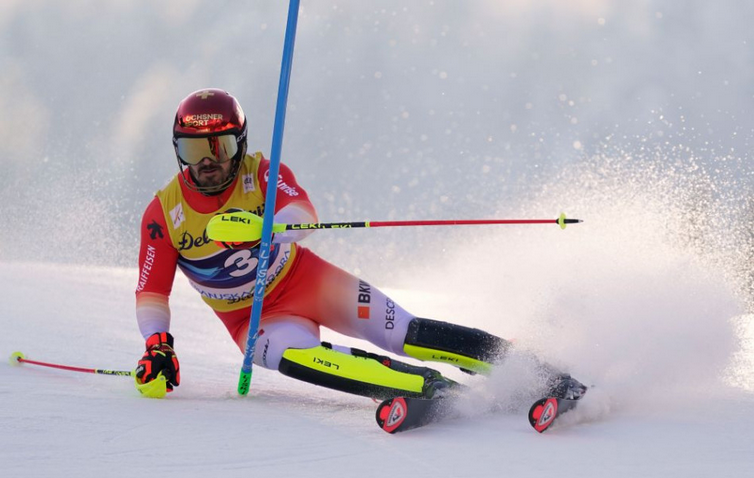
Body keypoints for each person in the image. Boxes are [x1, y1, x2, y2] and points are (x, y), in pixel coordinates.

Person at [133, 88, 585, 402]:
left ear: (241, 143)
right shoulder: (163, 213)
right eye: (194, 151)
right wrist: (158, 345)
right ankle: (425, 388)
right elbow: (151, 292)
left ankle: (527, 370)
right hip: (252, 319)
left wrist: (264, 225)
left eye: (220, 146)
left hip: (305, 280)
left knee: (404, 331)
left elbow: (302, 217)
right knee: (295, 358)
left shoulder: (262, 173)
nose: (208, 161)